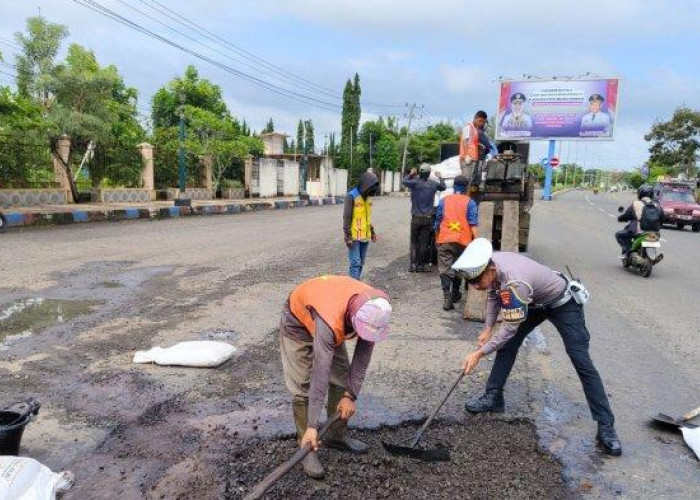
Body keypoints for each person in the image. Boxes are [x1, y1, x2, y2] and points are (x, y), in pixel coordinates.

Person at [456, 239, 622, 456]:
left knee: (581, 360)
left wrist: (479, 353)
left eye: (477, 280)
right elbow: (494, 294)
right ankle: (493, 397)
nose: (475, 286)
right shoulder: (491, 267)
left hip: (562, 304)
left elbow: (508, 329)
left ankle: (606, 426)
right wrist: (487, 328)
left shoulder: (515, 282)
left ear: (491, 269)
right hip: (534, 302)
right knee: (507, 347)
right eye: (471, 282)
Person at [279, 275, 392, 478]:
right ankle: (307, 444)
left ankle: (335, 435)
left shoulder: (377, 308)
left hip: (331, 314)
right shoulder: (331, 321)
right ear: (353, 318)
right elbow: (319, 375)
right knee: (302, 383)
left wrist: (350, 396)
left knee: (341, 376)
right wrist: (313, 425)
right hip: (298, 321)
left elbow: (362, 356)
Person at [434, 175, 479, 310]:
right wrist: (477, 243)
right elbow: (473, 225)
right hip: (463, 241)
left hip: (445, 239)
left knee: (445, 268)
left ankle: (447, 298)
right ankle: (455, 294)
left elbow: (437, 222)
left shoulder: (444, 201)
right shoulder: (470, 202)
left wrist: (437, 238)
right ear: (466, 188)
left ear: (454, 186)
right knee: (459, 267)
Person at [403, 164, 446, 272]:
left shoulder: (414, 183)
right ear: (429, 173)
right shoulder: (433, 184)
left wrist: (411, 174)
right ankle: (421, 265)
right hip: (428, 218)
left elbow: (404, 181)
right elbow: (443, 186)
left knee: (414, 242)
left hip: (416, 217)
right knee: (423, 243)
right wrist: (440, 177)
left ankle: (413, 265)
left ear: (420, 172)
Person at [343, 171, 381, 279]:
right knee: (355, 263)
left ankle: (356, 283)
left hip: (365, 236)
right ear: (365, 185)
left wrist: (372, 231)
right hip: (354, 237)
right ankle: (353, 288)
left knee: (361, 263)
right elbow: (347, 218)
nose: (372, 192)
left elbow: (367, 218)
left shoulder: (368, 198)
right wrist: (348, 236)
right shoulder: (351, 197)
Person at [616, 184, 663, 258]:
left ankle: (627, 252)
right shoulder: (657, 204)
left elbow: (626, 215)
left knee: (619, 235)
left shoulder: (635, 204)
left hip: (638, 232)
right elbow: (663, 217)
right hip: (655, 233)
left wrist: (620, 218)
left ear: (640, 193)